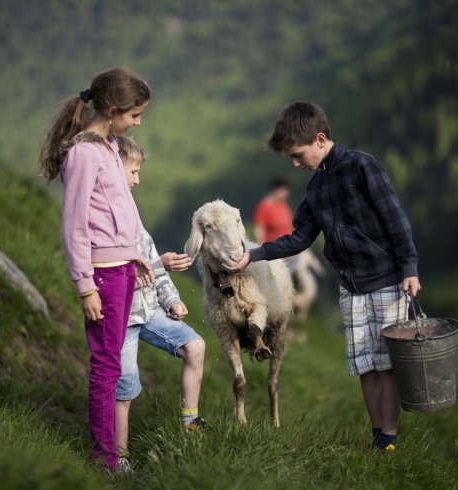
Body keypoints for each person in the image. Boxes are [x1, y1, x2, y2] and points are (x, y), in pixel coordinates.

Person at [224, 101, 421, 453]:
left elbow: (395, 218)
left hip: (388, 280)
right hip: (352, 286)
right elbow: (299, 238)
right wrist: (254, 254)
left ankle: (389, 439)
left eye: (298, 155)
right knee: (365, 364)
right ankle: (378, 437)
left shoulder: (362, 167)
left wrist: (408, 266)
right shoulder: (315, 189)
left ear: (319, 139)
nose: (296, 164)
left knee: (387, 364)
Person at [38, 67, 155, 472]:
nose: (137, 123)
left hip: (121, 267)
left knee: (113, 361)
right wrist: (85, 286)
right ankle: (105, 458)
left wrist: (132, 252)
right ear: (111, 109)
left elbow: (116, 207)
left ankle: (110, 453)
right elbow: (75, 225)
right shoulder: (84, 153)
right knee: (107, 366)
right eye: (134, 115)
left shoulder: (108, 146)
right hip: (102, 277)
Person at [114, 136, 209, 473]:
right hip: (122, 317)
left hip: (148, 310)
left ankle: (190, 422)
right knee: (124, 389)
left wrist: (173, 299)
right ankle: (119, 457)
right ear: (114, 169)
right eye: (134, 171)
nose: (138, 179)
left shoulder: (133, 214)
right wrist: (160, 266)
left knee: (195, 347)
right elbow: (117, 269)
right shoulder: (107, 216)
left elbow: (151, 265)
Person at [253, 176, 293, 245]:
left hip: (287, 249)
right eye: (283, 190)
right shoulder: (264, 207)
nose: (286, 194)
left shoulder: (284, 206)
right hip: (273, 251)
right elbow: (259, 230)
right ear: (274, 190)